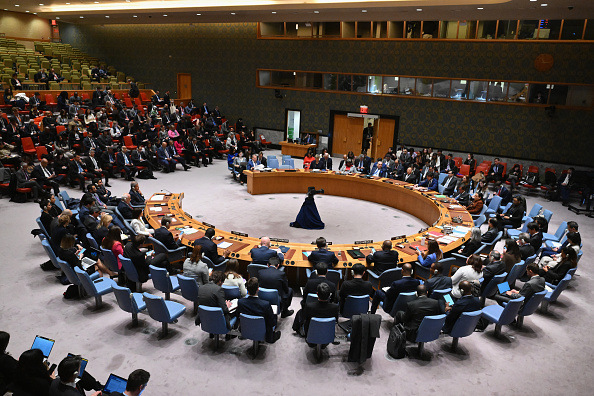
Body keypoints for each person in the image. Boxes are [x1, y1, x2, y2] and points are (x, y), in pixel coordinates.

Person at [238, 277, 282, 343]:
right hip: (263, 330)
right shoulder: (265, 304)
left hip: (246, 329)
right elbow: (272, 323)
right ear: (258, 289)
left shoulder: (240, 302)